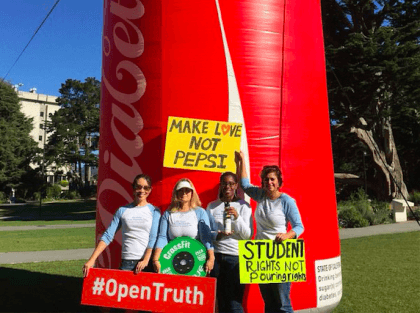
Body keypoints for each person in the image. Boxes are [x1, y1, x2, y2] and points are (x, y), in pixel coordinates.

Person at [235, 151, 304, 313]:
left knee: (283, 303)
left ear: (279, 182)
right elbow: (244, 185)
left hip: (280, 254)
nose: (269, 182)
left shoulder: (286, 201)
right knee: (269, 302)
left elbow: (299, 227)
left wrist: (287, 235)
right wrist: (241, 160)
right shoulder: (260, 196)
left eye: (272, 179)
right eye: (266, 179)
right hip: (261, 255)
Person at [83, 174, 161, 277]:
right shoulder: (122, 210)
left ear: (150, 190)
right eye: (138, 187)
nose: (142, 191)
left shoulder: (155, 211)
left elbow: (153, 237)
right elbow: (108, 236)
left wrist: (146, 259)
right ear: (133, 189)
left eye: (146, 188)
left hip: (147, 263)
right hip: (127, 262)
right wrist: (92, 260)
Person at [207, 172, 253, 313]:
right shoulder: (212, 206)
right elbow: (206, 234)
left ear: (236, 186)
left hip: (236, 257)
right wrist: (218, 235)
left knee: (234, 303)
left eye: (231, 183)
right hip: (217, 258)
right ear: (220, 185)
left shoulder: (244, 206)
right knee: (220, 300)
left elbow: (247, 236)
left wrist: (237, 217)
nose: (228, 186)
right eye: (225, 183)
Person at [152, 178, 215, 274]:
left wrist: (211, 258)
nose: (184, 193)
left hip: (196, 263)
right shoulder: (168, 214)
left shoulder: (200, 212)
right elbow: (162, 237)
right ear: (176, 193)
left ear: (192, 193)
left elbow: (206, 238)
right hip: (172, 263)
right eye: (180, 190)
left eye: (187, 190)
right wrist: (156, 259)